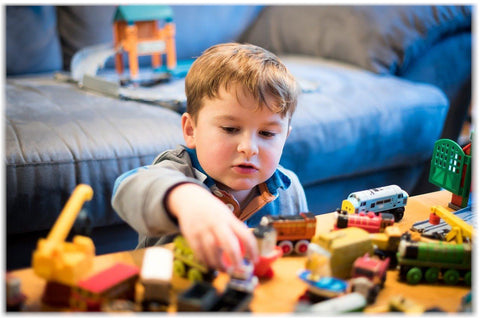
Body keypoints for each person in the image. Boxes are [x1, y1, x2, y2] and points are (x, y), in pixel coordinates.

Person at [112, 42, 308, 271]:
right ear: (191, 130)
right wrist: (186, 198)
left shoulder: (289, 188)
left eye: (267, 133)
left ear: (284, 137)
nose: (249, 148)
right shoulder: (177, 170)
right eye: (230, 129)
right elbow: (127, 189)